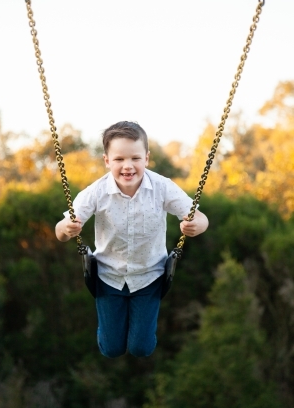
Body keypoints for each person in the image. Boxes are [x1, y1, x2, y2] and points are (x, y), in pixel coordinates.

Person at [55, 121, 209, 358]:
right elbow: (59, 231)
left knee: (141, 348)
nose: (128, 166)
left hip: (150, 276)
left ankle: (142, 332)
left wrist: (195, 226)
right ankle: (108, 332)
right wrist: (67, 228)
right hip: (108, 277)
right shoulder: (96, 192)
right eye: (119, 159)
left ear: (146, 158)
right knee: (111, 349)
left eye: (135, 158)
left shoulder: (162, 188)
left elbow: (201, 219)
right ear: (107, 161)